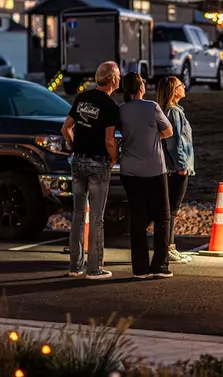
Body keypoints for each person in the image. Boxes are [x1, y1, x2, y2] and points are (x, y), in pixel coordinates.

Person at [60, 61, 121, 280]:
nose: (120, 79)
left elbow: (66, 128)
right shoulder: (109, 105)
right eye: (119, 76)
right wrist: (113, 158)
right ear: (112, 79)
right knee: (96, 217)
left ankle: (75, 266)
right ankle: (94, 268)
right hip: (97, 163)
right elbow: (109, 140)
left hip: (77, 161)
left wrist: (73, 144)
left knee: (78, 214)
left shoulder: (81, 98)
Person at [119, 72, 174, 279]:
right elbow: (168, 131)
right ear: (140, 88)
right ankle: (160, 265)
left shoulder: (121, 110)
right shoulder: (152, 107)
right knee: (163, 218)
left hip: (130, 171)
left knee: (138, 220)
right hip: (154, 169)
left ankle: (139, 268)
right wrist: (154, 135)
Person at [156, 76, 195, 264]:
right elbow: (175, 142)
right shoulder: (173, 112)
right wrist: (182, 167)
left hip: (173, 168)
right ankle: (168, 248)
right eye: (180, 85)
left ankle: (168, 247)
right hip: (176, 169)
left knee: (170, 210)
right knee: (171, 210)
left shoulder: (172, 111)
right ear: (173, 90)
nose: (184, 87)